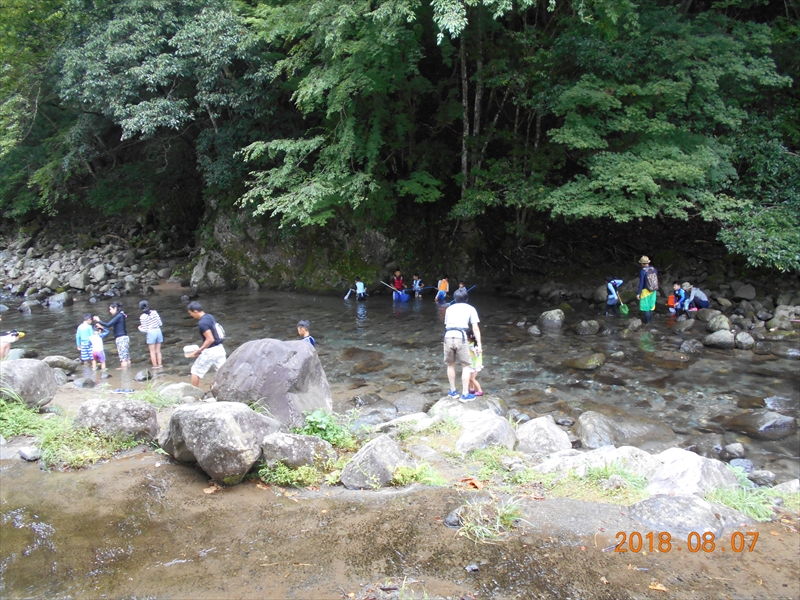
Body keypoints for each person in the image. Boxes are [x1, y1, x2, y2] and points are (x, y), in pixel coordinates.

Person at [443, 287, 482, 402]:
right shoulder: (471, 308)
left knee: (450, 364)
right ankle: (465, 394)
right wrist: (479, 344)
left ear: (454, 299)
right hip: (461, 336)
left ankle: (453, 391)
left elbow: (446, 324)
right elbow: (475, 328)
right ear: (467, 299)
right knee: (466, 366)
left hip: (448, 335)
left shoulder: (449, 308)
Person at [187, 302, 227, 387]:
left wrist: (199, 350)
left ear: (195, 311)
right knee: (222, 371)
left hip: (211, 351)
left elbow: (210, 339)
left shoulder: (202, 323)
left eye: (191, 313)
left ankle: (195, 394)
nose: (191, 315)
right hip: (220, 349)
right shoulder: (209, 316)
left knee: (195, 371)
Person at [95, 302, 130, 368]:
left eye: (110, 309)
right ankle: (128, 370)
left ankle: (125, 373)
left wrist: (99, 320)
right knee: (126, 357)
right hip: (124, 338)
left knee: (123, 358)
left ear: (115, 308)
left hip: (121, 338)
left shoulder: (119, 316)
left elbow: (108, 325)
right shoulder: (121, 315)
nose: (109, 311)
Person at [138, 300, 163, 369]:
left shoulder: (142, 317)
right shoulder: (154, 312)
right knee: (158, 351)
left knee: (152, 352)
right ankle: (160, 365)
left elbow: (145, 330)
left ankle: (155, 366)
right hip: (158, 331)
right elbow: (160, 323)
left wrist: (140, 328)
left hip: (151, 333)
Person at [636, 256, 658, 324]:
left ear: (642, 263)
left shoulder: (643, 271)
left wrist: (638, 293)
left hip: (645, 291)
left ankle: (647, 323)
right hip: (653, 290)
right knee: (651, 307)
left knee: (646, 308)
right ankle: (650, 322)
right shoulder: (654, 270)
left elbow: (642, 283)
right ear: (648, 262)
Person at [467, 331, 484, 397]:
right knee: (470, 378)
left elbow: (477, 354)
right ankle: (472, 389)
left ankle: (480, 391)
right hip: (472, 364)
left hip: (475, 365)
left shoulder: (473, 346)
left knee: (472, 379)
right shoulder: (472, 344)